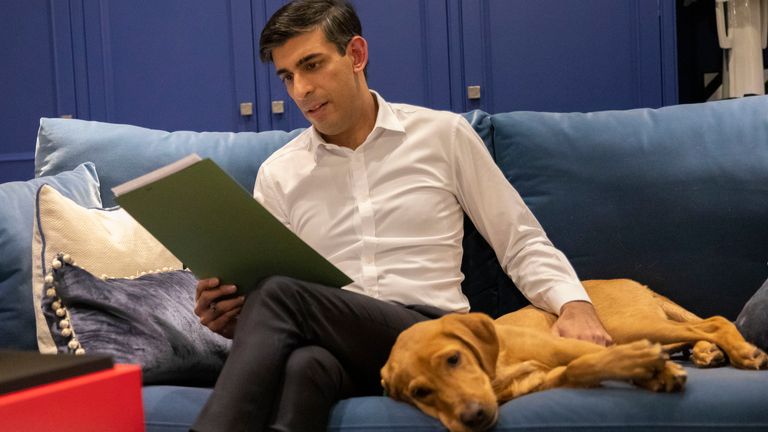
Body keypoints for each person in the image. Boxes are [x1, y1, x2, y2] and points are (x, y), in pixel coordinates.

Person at [191, 1, 611, 430]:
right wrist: (230, 320)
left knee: (281, 293)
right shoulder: (279, 174)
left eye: (311, 65)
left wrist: (574, 303)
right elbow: (275, 308)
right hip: (342, 348)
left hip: (432, 334)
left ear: (355, 55)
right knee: (305, 365)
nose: (300, 89)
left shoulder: (442, 136)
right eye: (287, 77)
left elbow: (518, 238)